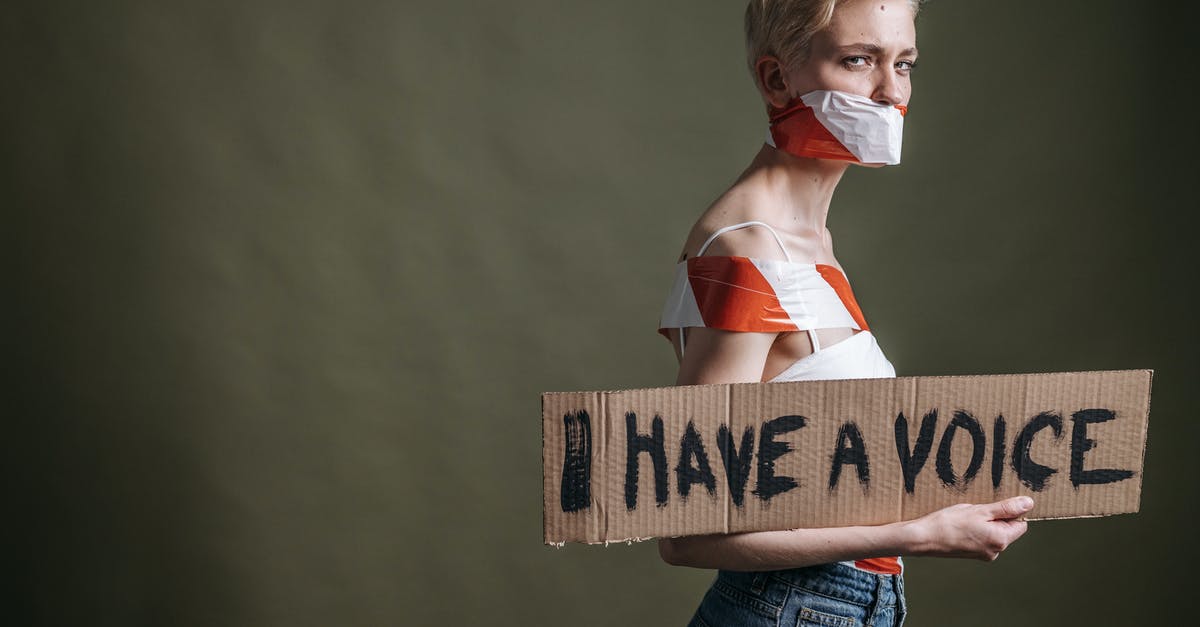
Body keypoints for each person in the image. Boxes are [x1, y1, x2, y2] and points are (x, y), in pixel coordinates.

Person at [655, 1, 1033, 625]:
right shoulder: (748, 250)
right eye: (858, 61)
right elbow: (686, 533)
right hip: (792, 606)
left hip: (840, 604)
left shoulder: (804, 240)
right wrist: (917, 534)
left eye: (904, 63)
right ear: (778, 79)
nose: (890, 92)